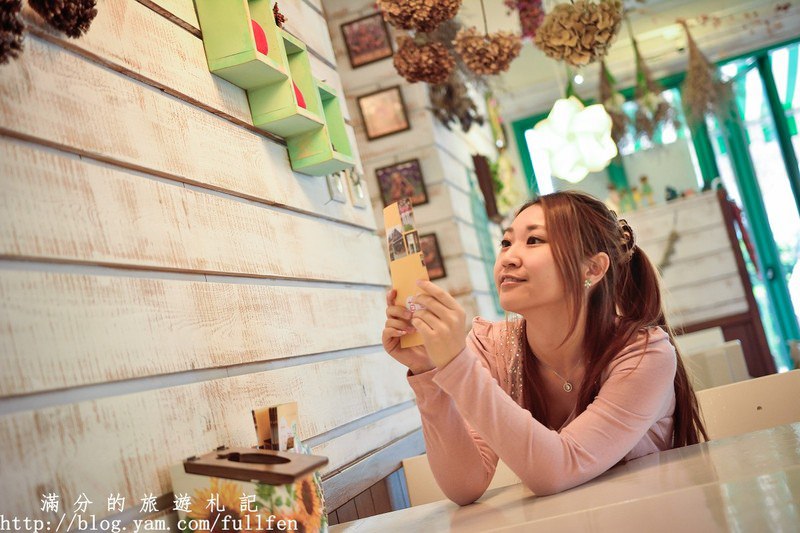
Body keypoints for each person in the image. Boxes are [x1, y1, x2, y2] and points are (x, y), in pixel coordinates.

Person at [382, 190, 707, 505]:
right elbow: (465, 485)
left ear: (592, 269)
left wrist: (455, 363)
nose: (508, 257)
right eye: (506, 242)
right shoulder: (493, 346)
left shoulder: (644, 353)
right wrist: (429, 372)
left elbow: (559, 468)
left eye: (534, 240)